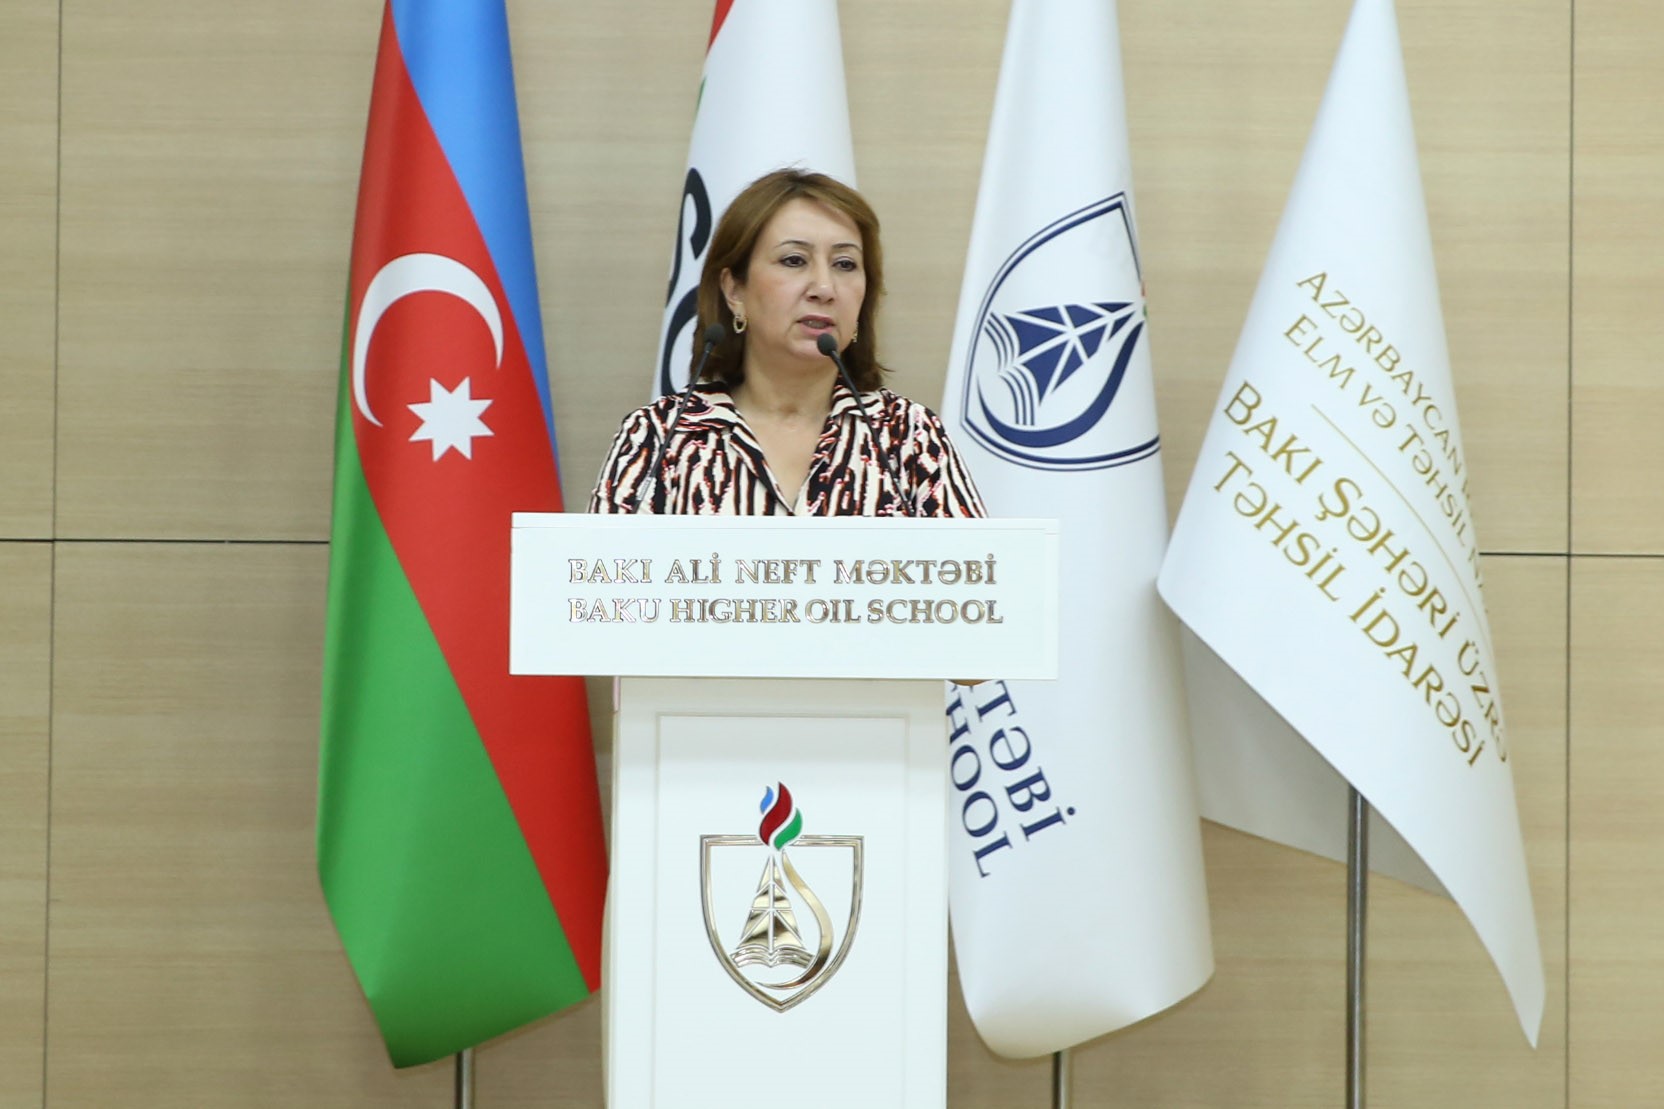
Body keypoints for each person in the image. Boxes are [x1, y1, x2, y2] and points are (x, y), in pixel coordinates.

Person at [589, 169, 985, 518]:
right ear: (734, 290)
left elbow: (978, 575)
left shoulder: (908, 438)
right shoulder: (659, 437)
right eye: (794, 260)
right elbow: (605, 574)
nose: (824, 288)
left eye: (845, 264)